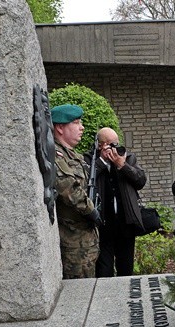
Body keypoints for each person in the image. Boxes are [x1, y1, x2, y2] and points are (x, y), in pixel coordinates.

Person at [85, 127, 146, 277]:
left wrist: (122, 165)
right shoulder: (90, 160)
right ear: (100, 145)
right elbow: (85, 181)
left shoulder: (127, 158)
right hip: (102, 225)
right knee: (104, 271)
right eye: (111, 144)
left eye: (117, 143)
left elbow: (141, 180)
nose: (115, 148)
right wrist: (101, 161)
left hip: (125, 223)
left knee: (126, 269)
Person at [52, 104, 101, 279]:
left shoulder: (73, 155)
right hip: (73, 242)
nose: (82, 127)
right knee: (80, 295)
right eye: (76, 123)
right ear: (60, 127)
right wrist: (92, 210)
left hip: (86, 240)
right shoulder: (56, 155)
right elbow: (69, 189)